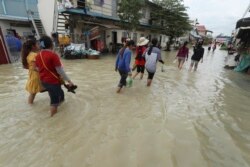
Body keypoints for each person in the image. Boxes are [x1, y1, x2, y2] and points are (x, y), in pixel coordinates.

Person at [35, 36, 75, 117]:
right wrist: (69, 81)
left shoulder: (38, 55)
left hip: (44, 81)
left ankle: (61, 110)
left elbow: (37, 68)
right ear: (51, 44)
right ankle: (52, 119)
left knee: (60, 94)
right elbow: (60, 70)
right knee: (54, 102)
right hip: (52, 82)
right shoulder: (53, 55)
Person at [21, 39, 43, 104]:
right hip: (36, 76)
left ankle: (30, 105)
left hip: (32, 75)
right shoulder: (33, 55)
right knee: (33, 93)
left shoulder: (29, 54)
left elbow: (28, 67)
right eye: (37, 44)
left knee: (33, 93)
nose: (38, 45)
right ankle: (30, 104)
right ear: (33, 46)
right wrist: (44, 70)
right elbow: (34, 68)